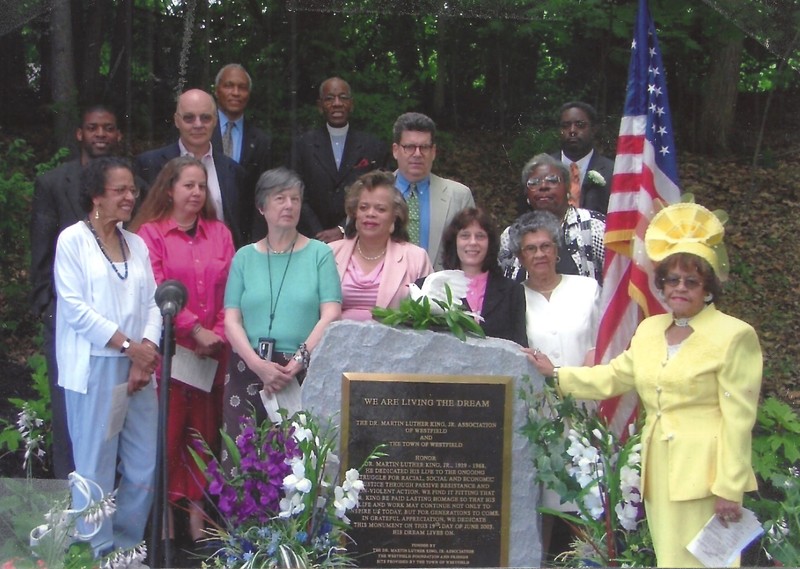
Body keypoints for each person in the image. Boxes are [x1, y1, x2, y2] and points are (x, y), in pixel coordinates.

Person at [526, 202, 762, 567]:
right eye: (672, 280)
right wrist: (555, 374)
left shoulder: (734, 335)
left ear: (709, 287)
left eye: (691, 281)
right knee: (670, 560)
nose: (680, 288)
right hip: (659, 471)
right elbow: (614, 376)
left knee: (708, 564)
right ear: (662, 284)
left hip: (707, 476)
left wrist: (729, 488)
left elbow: (738, 418)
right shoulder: (651, 329)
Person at [54, 157, 161, 557]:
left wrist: (144, 351)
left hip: (138, 366)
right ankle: (95, 553)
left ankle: (127, 550)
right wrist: (127, 347)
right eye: (121, 190)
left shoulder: (137, 244)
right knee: (95, 465)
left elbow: (153, 303)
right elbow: (76, 308)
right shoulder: (72, 241)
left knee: (141, 464)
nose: (131, 196)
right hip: (96, 364)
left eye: (133, 189)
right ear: (97, 196)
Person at [129, 156, 234, 556]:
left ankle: (197, 517)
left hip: (212, 356)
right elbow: (155, 285)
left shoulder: (220, 233)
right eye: (188, 185)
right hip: (170, 353)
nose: (195, 193)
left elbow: (231, 289)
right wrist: (194, 329)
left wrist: (219, 334)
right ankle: (164, 521)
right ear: (169, 189)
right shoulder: (150, 235)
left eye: (201, 186)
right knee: (167, 436)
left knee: (203, 435)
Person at [30, 104, 132, 479]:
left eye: (108, 128)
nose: (101, 134)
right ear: (79, 133)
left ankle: (109, 506)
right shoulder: (54, 183)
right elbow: (40, 252)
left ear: (118, 134)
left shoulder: (127, 186)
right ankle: (67, 508)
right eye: (93, 128)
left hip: (119, 326)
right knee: (69, 416)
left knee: (117, 421)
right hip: (68, 319)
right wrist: (48, 309)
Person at [222, 167, 341, 470]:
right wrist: (257, 364)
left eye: (295, 199)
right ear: (262, 207)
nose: (289, 205)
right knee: (244, 462)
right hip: (249, 367)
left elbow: (331, 313)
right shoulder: (244, 257)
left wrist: (298, 361)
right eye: (280, 198)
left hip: (298, 370)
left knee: (296, 463)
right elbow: (231, 319)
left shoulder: (320, 254)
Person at [507, 209, 599, 555]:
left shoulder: (587, 288)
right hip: (540, 415)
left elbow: (600, 344)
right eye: (531, 249)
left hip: (587, 407)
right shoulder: (515, 298)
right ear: (520, 257)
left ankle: (593, 560)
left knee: (590, 496)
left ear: (557, 251)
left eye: (546, 246)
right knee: (542, 499)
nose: (540, 254)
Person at [135, 89, 246, 247]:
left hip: (221, 264)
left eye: (205, 118)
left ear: (215, 121)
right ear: (176, 121)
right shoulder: (150, 164)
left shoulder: (234, 171)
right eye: (189, 118)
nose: (198, 124)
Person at [290, 77, 389, 243]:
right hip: (311, 239)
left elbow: (379, 194)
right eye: (329, 98)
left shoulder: (372, 146)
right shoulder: (303, 145)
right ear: (320, 106)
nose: (337, 103)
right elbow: (297, 193)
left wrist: (343, 228)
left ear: (352, 104)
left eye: (343, 97)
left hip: (358, 237)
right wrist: (318, 233)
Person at [328, 170, 432, 320]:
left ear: (395, 216)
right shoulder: (330, 252)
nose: (370, 214)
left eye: (380, 209)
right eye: (363, 207)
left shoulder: (416, 258)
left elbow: (429, 316)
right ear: (354, 212)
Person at [498, 153, 605, 285]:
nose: (543, 186)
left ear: (567, 188)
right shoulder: (510, 235)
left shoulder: (594, 226)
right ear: (526, 193)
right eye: (534, 182)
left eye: (552, 180)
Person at [430, 207, 527, 344]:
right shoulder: (431, 287)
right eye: (465, 235)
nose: (473, 242)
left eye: (480, 236)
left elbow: (521, 346)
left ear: (490, 243)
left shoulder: (512, 291)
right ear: (454, 242)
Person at [392, 112, 475, 269]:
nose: (417, 154)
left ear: (434, 151)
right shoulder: (371, 195)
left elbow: (474, 253)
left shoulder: (459, 196)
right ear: (396, 150)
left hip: (444, 290)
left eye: (424, 147)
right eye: (409, 147)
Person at [211, 64, 272, 241]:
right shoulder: (201, 132)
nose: (235, 92)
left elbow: (263, 194)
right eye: (229, 86)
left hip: (244, 235)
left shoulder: (261, 140)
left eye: (242, 88)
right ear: (217, 90)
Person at [550, 101, 614, 213]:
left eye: (580, 125)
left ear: (593, 129)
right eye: (566, 126)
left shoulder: (612, 172)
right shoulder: (544, 168)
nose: (572, 131)